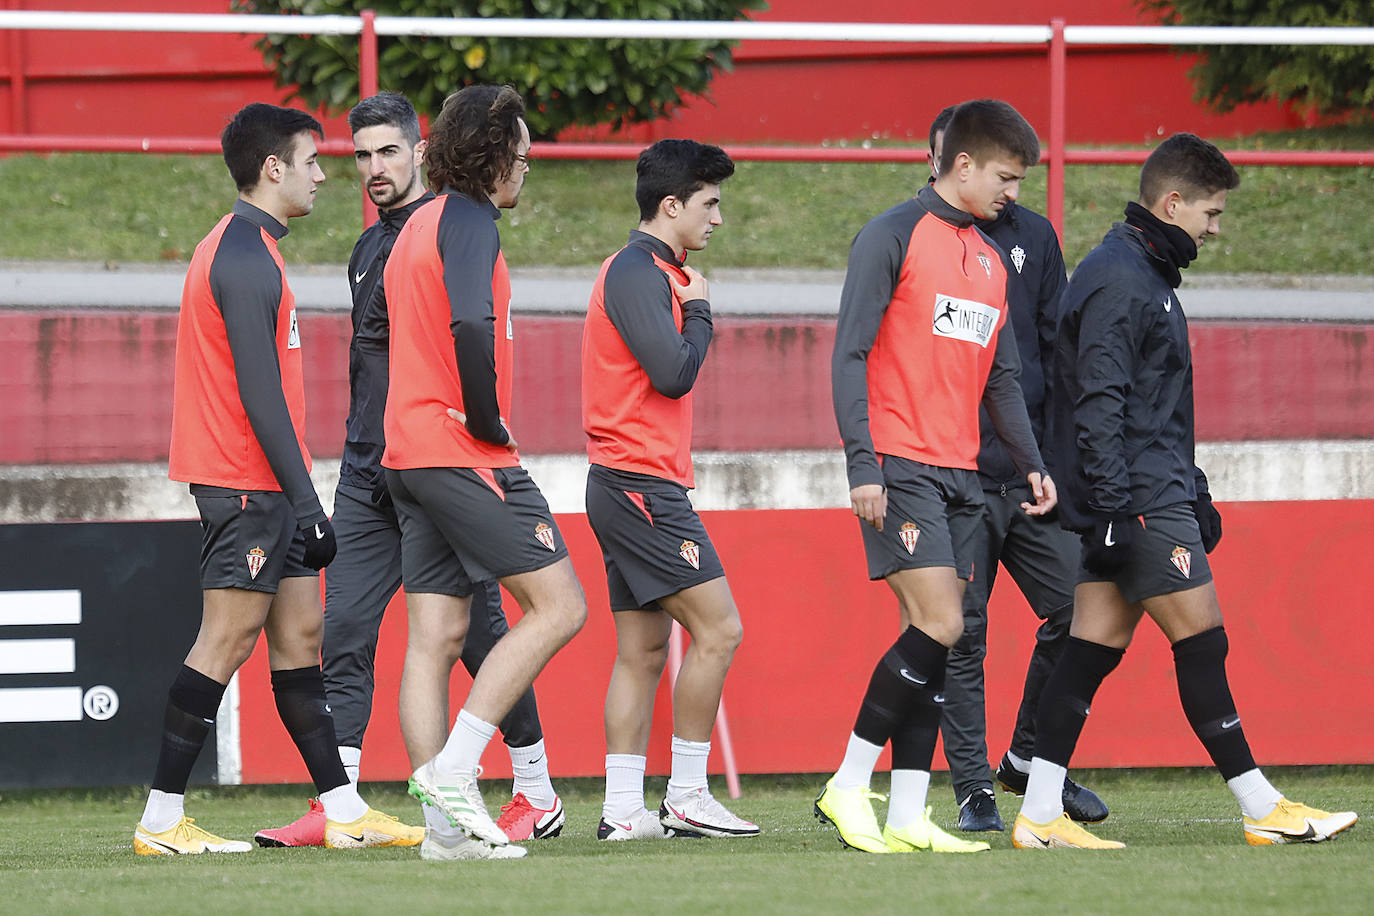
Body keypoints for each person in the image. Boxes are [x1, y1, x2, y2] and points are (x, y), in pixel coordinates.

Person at [1012, 132, 1359, 850]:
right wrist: (1114, 510)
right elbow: (1100, 403)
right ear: (1172, 203)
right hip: (1137, 499)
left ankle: (1040, 814)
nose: (1214, 228)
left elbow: (1157, 407)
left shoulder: (1145, 274)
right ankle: (1261, 805)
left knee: (1088, 652)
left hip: (1149, 490)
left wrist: (1193, 490)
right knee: (1203, 643)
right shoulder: (1120, 278)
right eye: (1209, 212)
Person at [254, 92, 562, 850]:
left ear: (424, 151)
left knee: (477, 631)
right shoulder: (383, 247)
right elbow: (393, 357)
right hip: (389, 465)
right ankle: (350, 804)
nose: (372, 168)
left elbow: (458, 336)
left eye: (388, 151)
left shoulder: (443, 227)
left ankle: (533, 788)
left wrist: (477, 424)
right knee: (356, 629)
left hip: (432, 455)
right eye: (360, 155)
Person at [135, 102, 421, 855]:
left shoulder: (255, 251)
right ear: (274, 169)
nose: (326, 175)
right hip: (243, 485)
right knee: (225, 641)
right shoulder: (239, 256)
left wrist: (301, 499)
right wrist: (306, 502)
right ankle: (161, 821)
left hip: (268, 486)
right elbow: (259, 395)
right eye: (312, 160)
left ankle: (344, 811)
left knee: (298, 639)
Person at [816, 99, 1056, 854]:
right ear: (961, 165)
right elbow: (849, 353)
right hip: (900, 464)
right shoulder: (891, 235)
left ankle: (909, 812)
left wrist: (1031, 465)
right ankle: (848, 784)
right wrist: (864, 465)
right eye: (1004, 177)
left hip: (965, 475)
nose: (1012, 192)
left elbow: (1003, 380)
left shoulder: (988, 259)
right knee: (944, 625)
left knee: (934, 636)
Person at [382, 84, 587, 861]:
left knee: (435, 637)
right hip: (461, 451)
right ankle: (459, 774)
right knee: (561, 607)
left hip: (408, 454)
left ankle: (443, 837)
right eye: (523, 156)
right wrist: (488, 417)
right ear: (491, 153)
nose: (527, 170)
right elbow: (469, 321)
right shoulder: (468, 219)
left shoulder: (416, 224)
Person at [924, 105, 1107, 833]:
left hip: (1028, 477)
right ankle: (974, 789)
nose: (1006, 188)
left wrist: (1057, 464)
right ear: (946, 161)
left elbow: (1053, 356)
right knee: (962, 635)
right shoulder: (920, 240)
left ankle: (1031, 763)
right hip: (952, 478)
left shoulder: (1034, 237)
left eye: (1011, 175)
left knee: (1080, 610)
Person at [582, 139, 758, 841]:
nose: (718, 217)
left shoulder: (651, 272)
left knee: (643, 651)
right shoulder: (638, 273)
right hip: (640, 487)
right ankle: (685, 795)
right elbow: (673, 373)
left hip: (629, 483)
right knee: (720, 629)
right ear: (672, 205)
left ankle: (623, 812)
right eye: (710, 203)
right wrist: (703, 310)